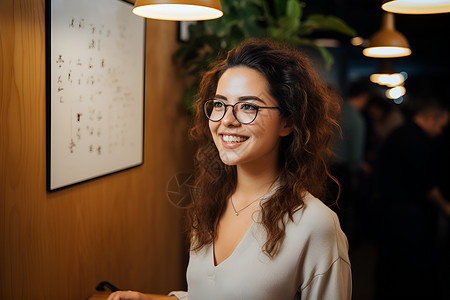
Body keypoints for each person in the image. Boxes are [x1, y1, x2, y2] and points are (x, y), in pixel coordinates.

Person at [107, 39, 351, 300]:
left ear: (287, 122)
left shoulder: (315, 224)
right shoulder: (211, 201)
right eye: (219, 104)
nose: (226, 120)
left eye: (248, 107)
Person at [375, 96, 450, 300]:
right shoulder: (416, 141)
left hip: (391, 213)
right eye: (441, 126)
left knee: (392, 267)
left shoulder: (401, 134)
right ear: (430, 117)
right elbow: (427, 185)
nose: (440, 132)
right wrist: (445, 206)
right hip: (407, 217)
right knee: (409, 272)